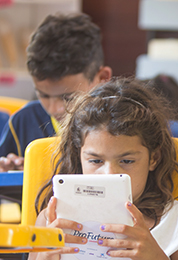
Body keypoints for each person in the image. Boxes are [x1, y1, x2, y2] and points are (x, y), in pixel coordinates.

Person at [13, 78, 178, 260]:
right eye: (96, 161)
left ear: (153, 158)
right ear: (80, 156)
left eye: (126, 161)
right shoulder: (53, 220)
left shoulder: (177, 221)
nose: (109, 174)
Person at [0, 12, 112, 172]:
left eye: (68, 97)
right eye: (43, 95)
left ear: (102, 78)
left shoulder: (119, 126)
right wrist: (11, 173)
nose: (54, 109)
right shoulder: (23, 122)